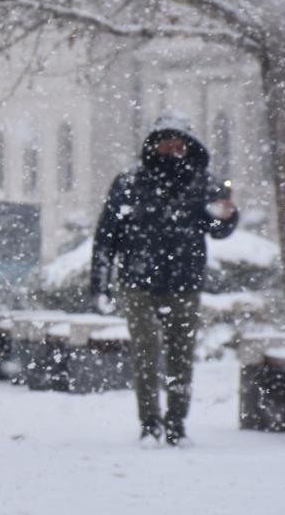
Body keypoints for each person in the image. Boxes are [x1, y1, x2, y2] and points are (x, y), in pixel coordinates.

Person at [90, 112, 239, 447]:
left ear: (187, 146)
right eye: (166, 143)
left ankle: (176, 423)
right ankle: (149, 422)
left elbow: (217, 228)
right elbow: (106, 237)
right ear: (154, 146)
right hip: (138, 280)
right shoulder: (129, 183)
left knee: (181, 354)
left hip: (184, 281)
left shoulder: (201, 183)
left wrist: (228, 217)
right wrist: (99, 285)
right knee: (144, 353)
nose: (173, 149)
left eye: (178, 143)